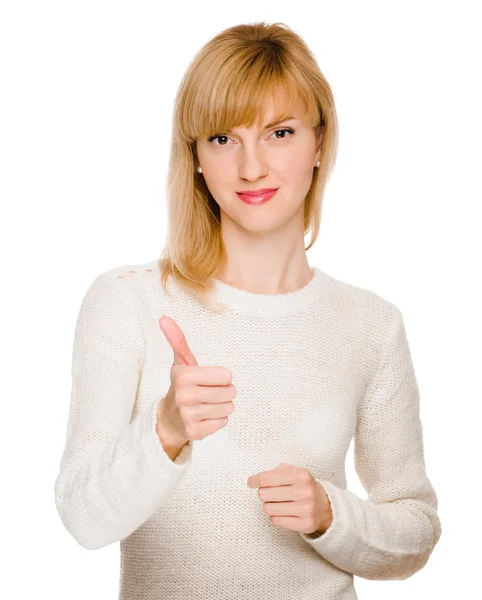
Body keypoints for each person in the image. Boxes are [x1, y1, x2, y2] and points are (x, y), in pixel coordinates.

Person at [53, 20, 442, 600]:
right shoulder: (127, 303)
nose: (251, 167)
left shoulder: (371, 326)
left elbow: (416, 529)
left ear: (319, 143)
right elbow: (83, 520)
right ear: (197, 160)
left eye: (280, 133)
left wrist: (330, 515)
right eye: (222, 138)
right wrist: (164, 430)